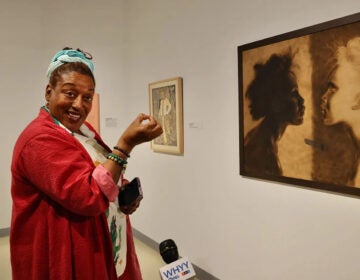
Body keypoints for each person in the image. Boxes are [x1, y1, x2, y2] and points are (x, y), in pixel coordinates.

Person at [10, 47, 163, 280]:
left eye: (88, 97)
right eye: (70, 93)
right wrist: (125, 145)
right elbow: (87, 196)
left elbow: (98, 170)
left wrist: (120, 191)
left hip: (99, 240)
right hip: (64, 253)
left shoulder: (82, 131)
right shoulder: (39, 139)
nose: (79, 105)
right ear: (49, 91)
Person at [244, 52, 305, 176]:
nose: (302, 99)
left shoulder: (264, 138)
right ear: (276, 102)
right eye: (294, 93)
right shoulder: (262, 150)